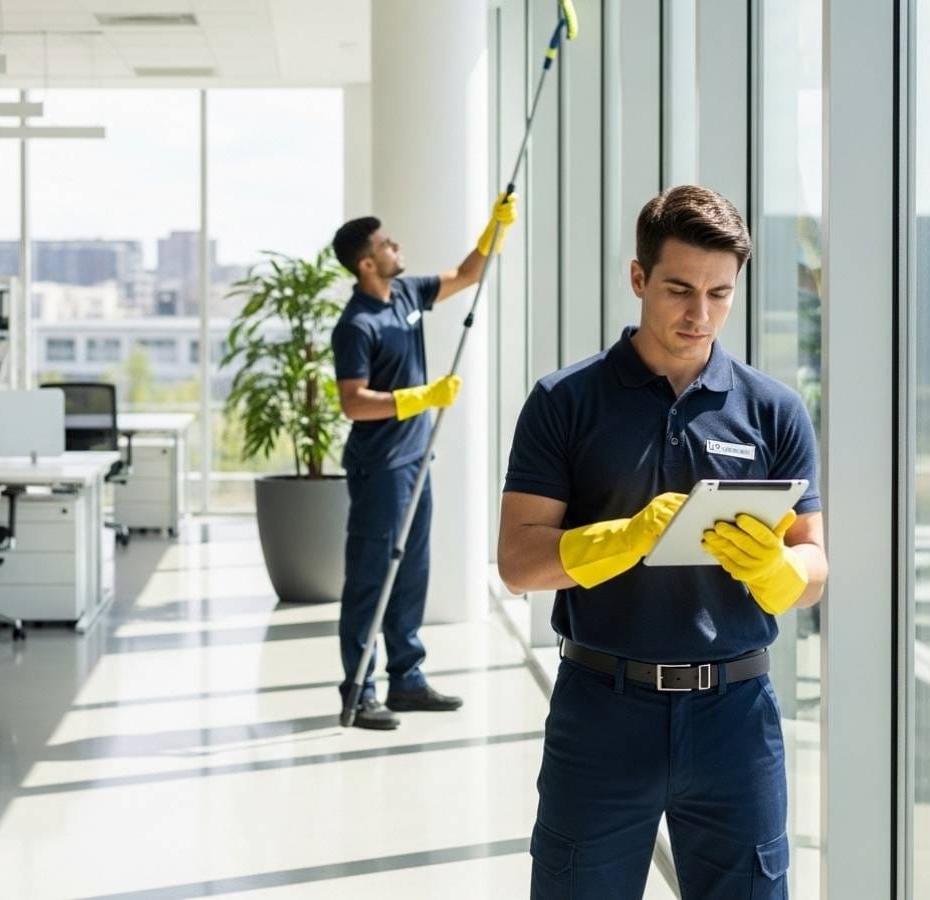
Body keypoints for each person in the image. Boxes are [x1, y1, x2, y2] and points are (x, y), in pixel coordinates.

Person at [497, 185, 828, 898]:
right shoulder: (565, 401)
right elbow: (519, 563)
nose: (699, 313)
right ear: (639, 278)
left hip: (736, 718)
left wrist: (779, 570)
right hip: (602, 709)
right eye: (680, 288)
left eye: (719, 293)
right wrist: (625, 537)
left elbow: (815, 563)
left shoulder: (775, 411)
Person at [330, 193, 518, 730]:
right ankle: (359, 691)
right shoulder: (356, 324)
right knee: (371, 577)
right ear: (367, 263)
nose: (396, 245)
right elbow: (352, 400)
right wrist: (417, 398)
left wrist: (493, 230)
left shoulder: (406, 293)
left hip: (415, 459)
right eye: (386, 243)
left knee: (411, 573)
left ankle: (407, 680)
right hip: (379, 467)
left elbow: (463, 275)